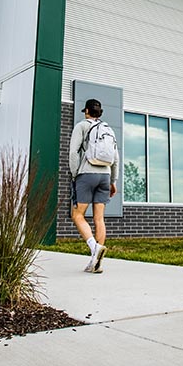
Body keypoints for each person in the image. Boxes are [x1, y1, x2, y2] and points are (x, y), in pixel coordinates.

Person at [69, 98, 119, 273]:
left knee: (77, 215)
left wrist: (75, 174)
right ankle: (95, 262)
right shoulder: (108, 129)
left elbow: (73, 152)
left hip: (87, 174)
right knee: (99, 219)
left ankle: (94, 248)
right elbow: (115, 158)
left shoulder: (82, 126)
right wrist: (113, 181)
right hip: (105, 176)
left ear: (87, 111)